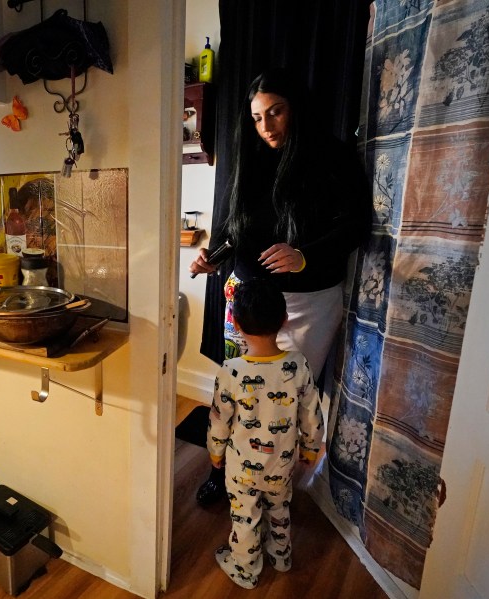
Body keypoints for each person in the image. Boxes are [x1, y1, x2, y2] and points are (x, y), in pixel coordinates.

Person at [189, 68, 371, 506]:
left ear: (295, 109)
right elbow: (237, 231)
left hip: (308, 303)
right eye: (256, 118)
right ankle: (224, 470)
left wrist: (305, 255)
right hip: (249, 299)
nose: (266, 127)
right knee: (235, 391)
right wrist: (214, 259)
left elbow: (357, 226)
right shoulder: (251, 158)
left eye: (276, 113)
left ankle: (275, 481)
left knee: (284, 400)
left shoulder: (333, 156)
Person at [207, 279, 322, 589]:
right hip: (281, 466)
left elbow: (219, 421)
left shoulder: (230, 371)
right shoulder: (299, 365)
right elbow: (312, 415)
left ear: (238, 325)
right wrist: (310, 450)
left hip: (242, 467)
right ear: (284, 320)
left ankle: (245, 568)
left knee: (245, 517)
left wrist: (215, 453)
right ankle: (281, 556)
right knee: (279, 508)